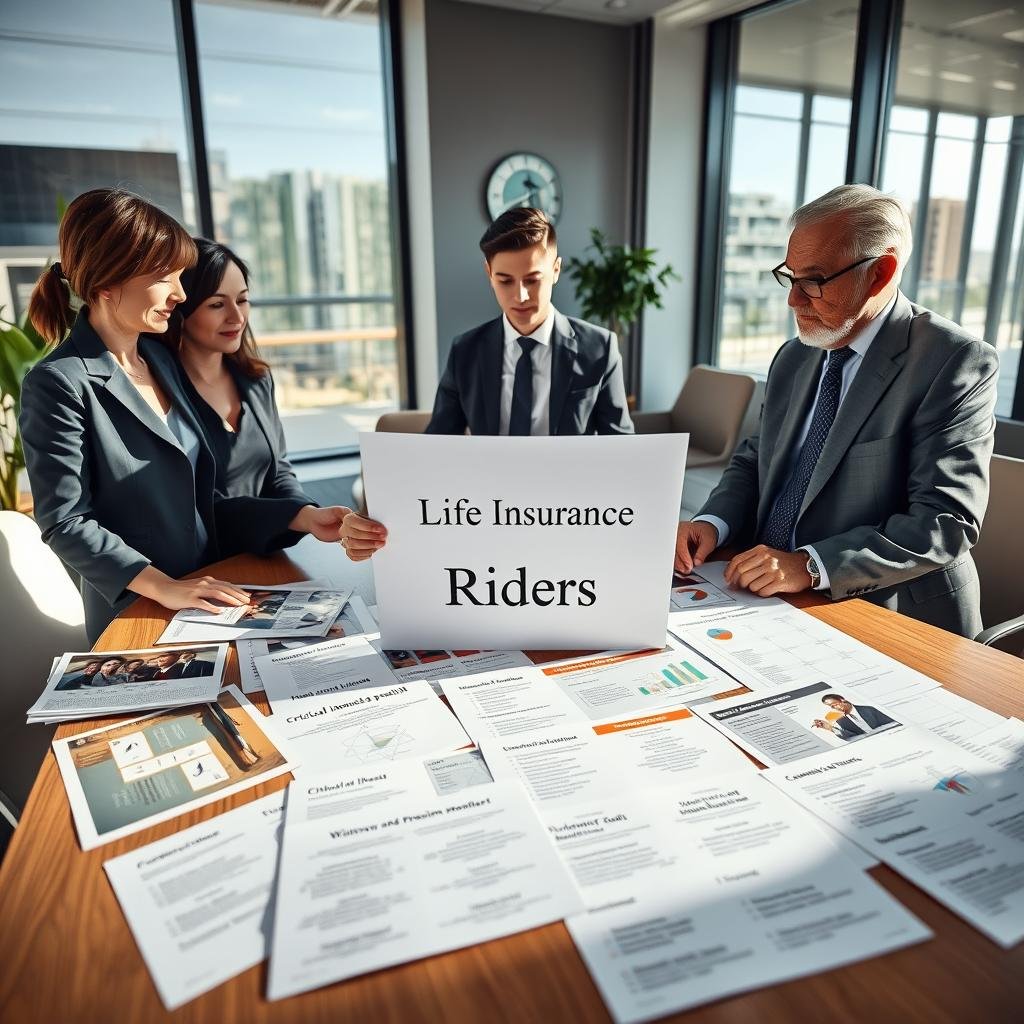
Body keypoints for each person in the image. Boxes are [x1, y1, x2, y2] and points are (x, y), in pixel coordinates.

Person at [20, 189, 352, 641]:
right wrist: (166, 587)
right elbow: (66, 522)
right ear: (107, 280)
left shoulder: (161, 362)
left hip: (211, 587)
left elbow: (203, 500)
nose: (179, 293)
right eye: (165, 277)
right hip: (140, 608)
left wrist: (301, 516)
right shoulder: (59, 382)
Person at [674, 184, 998, 638]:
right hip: (763, 595)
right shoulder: (794, 355)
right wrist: (713, 522)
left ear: (881, 273)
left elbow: (944, 521)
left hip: (887, 612)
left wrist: (809, 565)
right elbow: (755, 458)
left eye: (814, 280)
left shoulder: (954, 361)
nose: (794, 300)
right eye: (790, 277)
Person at [340, 206, 634, 560]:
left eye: (533, 279)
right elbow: (436, 449)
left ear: (556, 270)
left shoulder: (598, 347)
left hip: (570, 519)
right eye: (505, 280)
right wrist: (373, 516)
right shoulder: (465, 350)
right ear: (489, 274)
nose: (520, 296)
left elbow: (624, 453)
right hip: (487, 519)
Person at [160, 238, 316, 506]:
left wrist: (306, 512)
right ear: (179, 311)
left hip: (274, 531)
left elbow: (279, 470)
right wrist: (295, 516)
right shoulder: (160, 392)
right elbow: (195, 502)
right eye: (217, 304)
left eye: (242, 300)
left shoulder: (257, 379)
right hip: (213, 535)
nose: (238, 317)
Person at [812, 693, 897, 741]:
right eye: (832, 707)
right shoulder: (841, 721)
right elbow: (850, 738)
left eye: (835, 704)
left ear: (842, 700)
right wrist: (830, 728)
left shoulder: (868, 709)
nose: (835, 708)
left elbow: (893, 724)